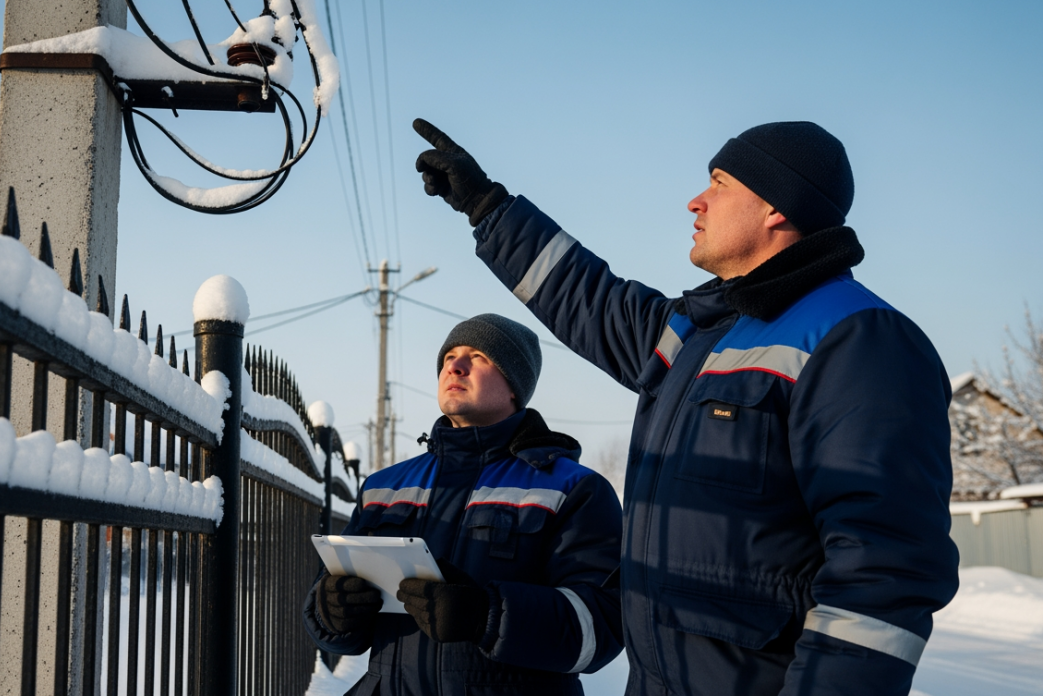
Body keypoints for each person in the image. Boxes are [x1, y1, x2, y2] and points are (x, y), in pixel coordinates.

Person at [411, 119, 959, 695]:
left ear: (776, 207)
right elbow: (585, 294)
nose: (696, 202)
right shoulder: (698, 335)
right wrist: (486, 206)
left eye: (719, 183)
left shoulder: (856, 339)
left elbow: (881, 572)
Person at [303, 314, 624, 696]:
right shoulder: (383, 487)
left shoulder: (575, 489)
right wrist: (332, 610)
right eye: (449, 356)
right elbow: (336, 628)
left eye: (478, 356)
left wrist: (485, 616)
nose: (454, 366)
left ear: (514, 387)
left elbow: (600, 628)